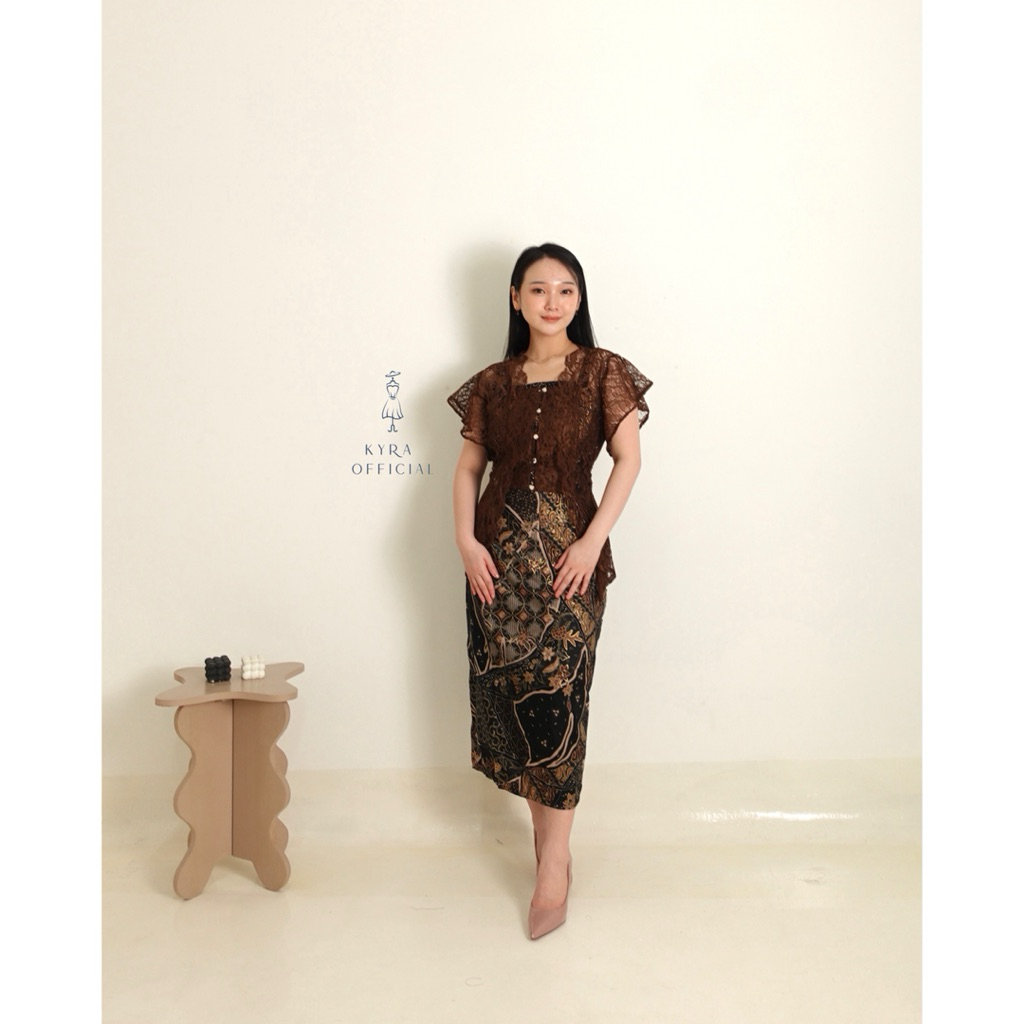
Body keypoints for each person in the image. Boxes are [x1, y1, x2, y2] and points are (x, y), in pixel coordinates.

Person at [448, 242, 652, 939]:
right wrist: (466, 540)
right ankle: (546, 843)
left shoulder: (603, 371)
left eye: (566, 289)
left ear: (579, 299)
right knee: (516, 702)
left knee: (560, 703)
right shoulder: (492, 384)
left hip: (571, 567)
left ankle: (555, 862)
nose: (553, 302)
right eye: (538, 289)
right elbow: (468, 468)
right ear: (515, 298)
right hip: (496, 572)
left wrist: (591, 542)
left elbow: (628, 460)